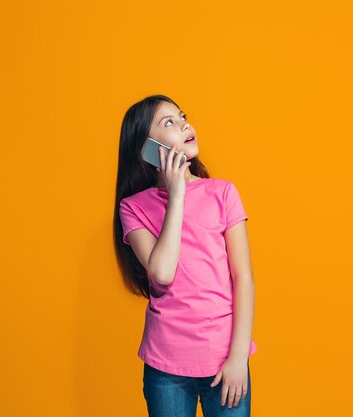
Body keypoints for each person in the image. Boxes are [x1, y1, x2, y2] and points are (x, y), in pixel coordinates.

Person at [113, 94, 257, 417]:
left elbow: (243, 279)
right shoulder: (133, 208)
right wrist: (176, 195)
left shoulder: (223, 193)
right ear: (147, 149)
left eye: (182, 116)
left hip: (225, 362)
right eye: (169, 123)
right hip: (166, 371)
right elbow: (162, 273)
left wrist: (238, 359)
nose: (184, 124)